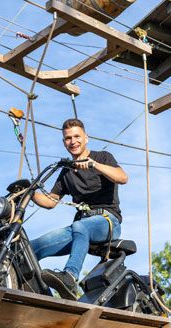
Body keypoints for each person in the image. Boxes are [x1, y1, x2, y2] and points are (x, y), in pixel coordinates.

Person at [31, 118, 128, 300]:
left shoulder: (103, 157)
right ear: (64, 142)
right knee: (32, 248)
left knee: (80, 226)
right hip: (81, 227)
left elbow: (122, 177)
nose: (73, 141)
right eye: (68, 138)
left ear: (86, 138)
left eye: (77, 136)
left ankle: (70, 278)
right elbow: (51, 201)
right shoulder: (67, 171)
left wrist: (94, 164)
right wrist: (29, 193)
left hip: (108, 221)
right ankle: (40, 295)